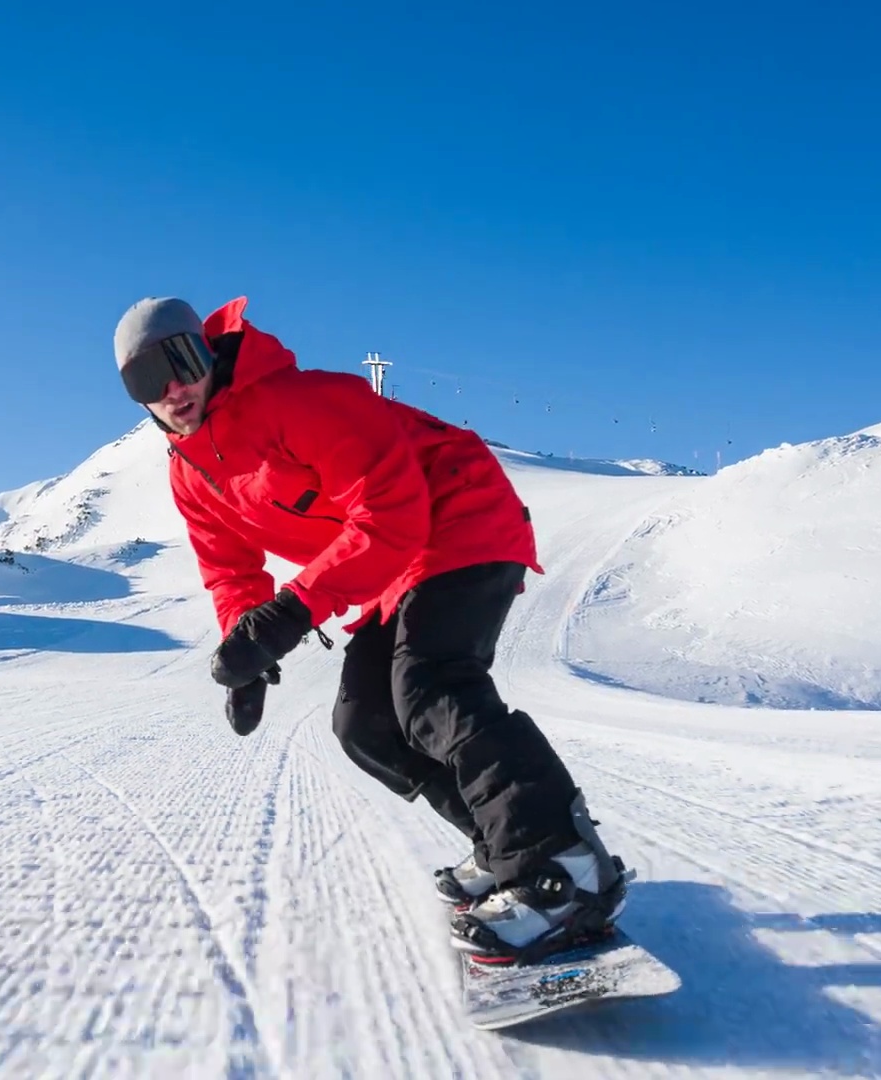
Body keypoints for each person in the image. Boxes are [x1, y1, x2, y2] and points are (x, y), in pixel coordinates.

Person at [113, 295, 630, 964]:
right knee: (366, 727)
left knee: (432, 685)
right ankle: (505, 848)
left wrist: (293, 613)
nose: (172, 389)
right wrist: (247, 652)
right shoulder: (192, 472)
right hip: (398, 566)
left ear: (206, 351)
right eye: (145, 381)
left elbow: (391, 514)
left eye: (179, 361)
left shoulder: (298, 402)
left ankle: (560, 869)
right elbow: (229, 569)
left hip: (460, 514)